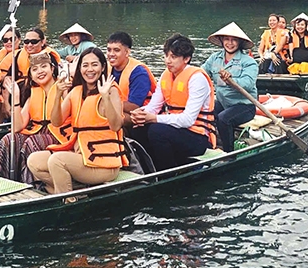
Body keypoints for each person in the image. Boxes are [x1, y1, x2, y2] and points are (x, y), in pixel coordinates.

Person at [28, 47, 127, 193]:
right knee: (34, 161)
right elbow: (56, 122)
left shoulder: (111, 91)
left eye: (94, 64)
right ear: (80, 68)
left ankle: (67, 199)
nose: (90, 69)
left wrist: (105, 97)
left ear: (103, 67)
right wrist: (58, 94)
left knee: (57, 161)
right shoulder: (76, 91)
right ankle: (69, 191)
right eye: (85, 65)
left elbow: (116, 126)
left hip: (105, 164)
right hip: (81, 156)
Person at [130, 34, 217, 171]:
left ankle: (169, 172)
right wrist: (140, 114)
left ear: (186, 59)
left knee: (156, 130)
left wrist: (154, 118)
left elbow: (188, 120)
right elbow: (154, 106)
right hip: (176, 130)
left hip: (198, 137)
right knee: (136, 129)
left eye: (173, 57)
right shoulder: (166, 75)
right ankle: (150, 168)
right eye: (166, 56)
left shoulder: (197, 79)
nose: (168, 61)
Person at [0, 52, 73, 184]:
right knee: (9, 138)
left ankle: (32, 184)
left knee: (32, 142)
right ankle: (2, 179)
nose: (40, 72)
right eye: (35, 69)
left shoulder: (63, 87)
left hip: (60, 135)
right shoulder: (33, 92)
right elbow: (17, 127)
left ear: (52, 69)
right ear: (31, 74)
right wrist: (16, 98)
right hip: (37, 131)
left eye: (44, 67)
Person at [202, 22, 258, 152]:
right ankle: (209, 145)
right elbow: (202, 73)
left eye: (234, 40)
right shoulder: (215, 58)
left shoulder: (249, 62)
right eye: (227, 39)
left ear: (239, 43)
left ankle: (229, 153)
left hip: (244, 105)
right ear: (222, 40)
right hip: (223, 102)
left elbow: (248, 84)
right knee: (205, 112)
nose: (230, 43)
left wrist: (231, 80)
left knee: (223, 119)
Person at [105, 31, 156, 126]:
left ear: (127, 52)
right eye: (109, 50)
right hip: (117, 108)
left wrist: (106, 103)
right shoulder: (106, 68)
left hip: (138, 116)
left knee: (105, 114)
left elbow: (134, 106)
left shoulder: (139, 73)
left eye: (116, 50)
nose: (111, 54)